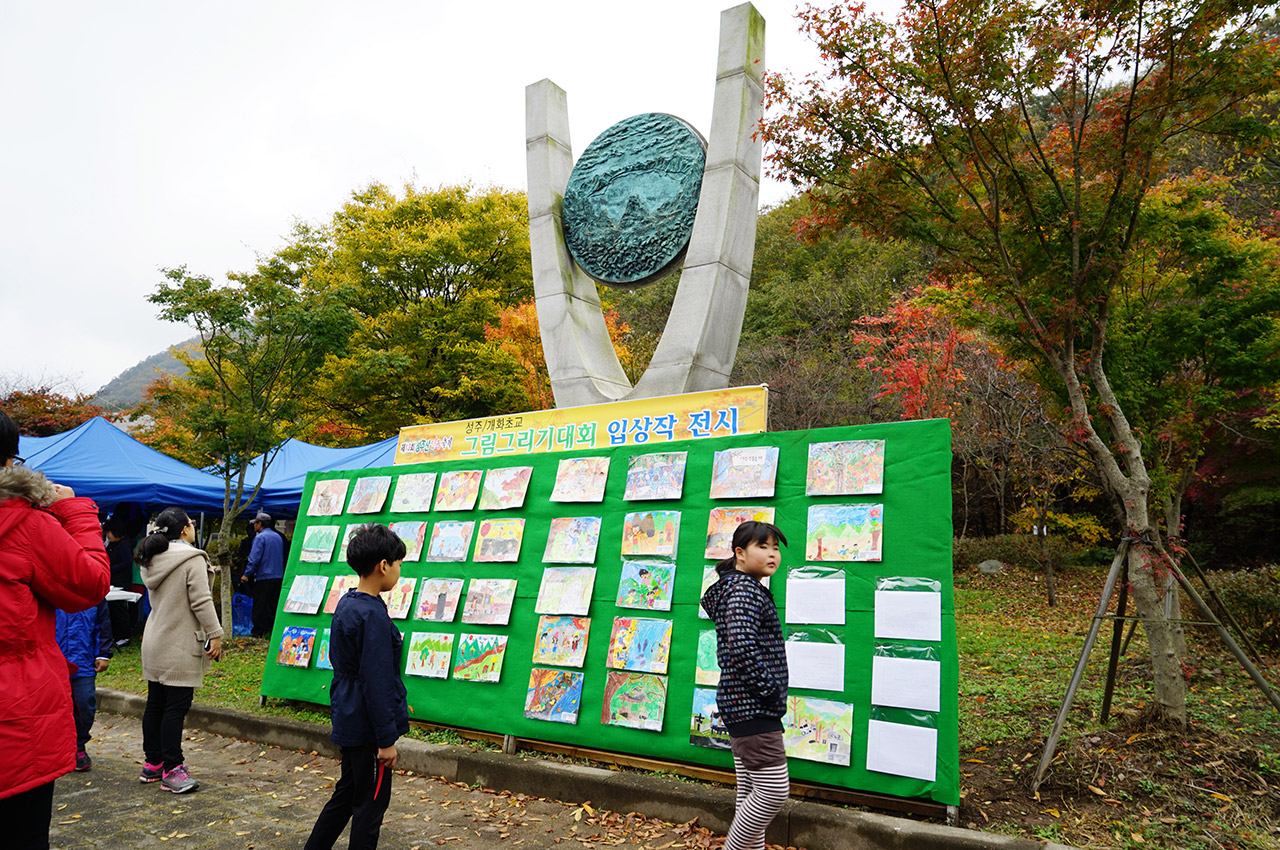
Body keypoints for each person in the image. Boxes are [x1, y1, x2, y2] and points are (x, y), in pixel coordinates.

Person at [0, 409, 111, 850]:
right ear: (11, 461)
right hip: (15, 717)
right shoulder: (25, 523)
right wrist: (75, 512)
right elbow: (89, 584)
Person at [304, 523, 409, 850]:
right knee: (370, 806)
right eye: (398, 563)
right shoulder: (372, 616)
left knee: (348, 792)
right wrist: (386, 739)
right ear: (383, 566)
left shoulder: (348, 604)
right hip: (367, 728)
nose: (399, 570)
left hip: (348, 716)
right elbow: (376, 681)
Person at [699, 520, 791, 850]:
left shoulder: (744, 588)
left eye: (775, 548)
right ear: (740, 553)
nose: (772, 554)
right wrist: (768, 689)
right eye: (762, 547)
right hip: (753, 705)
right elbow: (740, 647)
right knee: (773, 791)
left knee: (751, 791)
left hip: (743, 703)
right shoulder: (743, 590)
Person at [137, 506, 223, 794]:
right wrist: (216, 634)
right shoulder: (192, 558)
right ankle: (173, 769)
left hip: (154, 639)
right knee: (175, 708)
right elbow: (201, 601)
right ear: (185, 529)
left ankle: (153, 764)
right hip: (180, 643)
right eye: (190, 524)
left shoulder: (151, 557)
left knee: (156, 704)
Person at [55, 599, 113, 771]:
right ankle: (61, 748)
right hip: (55, 660)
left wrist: (103, 653)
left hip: (84, 661)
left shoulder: (93, 593)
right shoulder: (49, 587)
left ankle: (78, 745)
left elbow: (104, 625)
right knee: (57, 707)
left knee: (84, 704)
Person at [240, 511, 285, 638]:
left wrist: (247, 574)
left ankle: (258, 632)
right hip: (278, 576)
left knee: (259, 605)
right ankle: (271, 631)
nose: (254, 526)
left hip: (264, 576)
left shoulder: (259, 537)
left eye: (255, 524)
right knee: (273, 605)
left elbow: (254, 558)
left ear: (260, 524)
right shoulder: (278, 537)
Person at [105, 518, 137, 645]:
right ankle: (115, 634)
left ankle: (124, 636)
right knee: (111, 608)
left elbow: (127, 562)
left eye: (109, 532)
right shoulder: (112, 545)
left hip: (121, 582)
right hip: (111, 581)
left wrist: (110, 569)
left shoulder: (124, 545)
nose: (108, 535)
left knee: (119, 608)